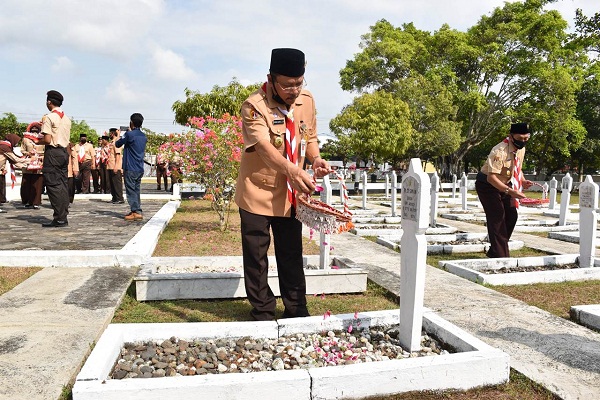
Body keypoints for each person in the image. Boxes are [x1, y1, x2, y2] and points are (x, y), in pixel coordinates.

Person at [234, 48, 331, 321]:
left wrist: (316, 160)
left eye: (299, 83)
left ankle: (296, 309)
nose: (294, 90)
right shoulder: (254, 106)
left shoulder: (307, 100)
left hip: (290, 194)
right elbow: (264, 148)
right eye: (287, 85)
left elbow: (308, 136)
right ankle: (263, 310)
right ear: (271, 79)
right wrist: (291, 169)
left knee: (291, 253)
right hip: (257, 191)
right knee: (256, 256)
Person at [475, 122, 533, 258]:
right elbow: (491, 178)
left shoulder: (521, 149)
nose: (523, 142)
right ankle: (501, 256)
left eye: (526, 139)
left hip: (505, 185)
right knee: (497, 217)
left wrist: (523, 180)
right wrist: (510, 191)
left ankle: (496, 249)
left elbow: (516, 166)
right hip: (487, 185)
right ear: (511, 136)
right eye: (520, 139)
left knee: (512, 215)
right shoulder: (499, 151)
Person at [39, 90, 72, 227]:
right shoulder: (66, 118)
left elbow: (47, 139)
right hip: (64, 152)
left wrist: (36, 141)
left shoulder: (49, 117)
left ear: (49, 102)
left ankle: (59, 218)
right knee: (62, 184)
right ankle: (63, 215)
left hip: (53, 153)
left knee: (53, 184)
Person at [115, 113, 147, 221]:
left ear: (131, 122)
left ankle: (135, 211)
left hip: (130, 167)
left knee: (130, 190)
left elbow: (118, 144)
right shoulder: (143, 136)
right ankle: (137, 210)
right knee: (136, 190)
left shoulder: (129, 135)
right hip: (139, 167)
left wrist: (119, 135)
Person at [0, 133, 30, 212]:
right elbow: (15, 159)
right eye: (16, 141)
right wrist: (30, 160)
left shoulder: (5, 146)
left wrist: (26, 166)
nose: (16, 143)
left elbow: (12, 161)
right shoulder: (4, 147)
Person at [20, 122, 45, 209]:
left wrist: (42, 156)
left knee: (37, 184)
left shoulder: (43, 139)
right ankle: (27, 201)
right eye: (33, 128)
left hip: (39, 163)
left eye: (36, 128)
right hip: (28, 162)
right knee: (26, 183)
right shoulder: (25, 139)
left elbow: (47, 151)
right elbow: (22, 150)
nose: (34, 130)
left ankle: (36, 202)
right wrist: (28, 153)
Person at [107, 128, 124, 204]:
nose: (109, 134)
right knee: (112, 183)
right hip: (110, 165)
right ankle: (114, 198)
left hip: (115, 166)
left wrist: (116, 166)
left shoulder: (117, 142)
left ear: (113, 133)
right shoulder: (112, 142)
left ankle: (119, 198)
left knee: (117, 183)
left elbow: (118, 155)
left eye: (110, 133)